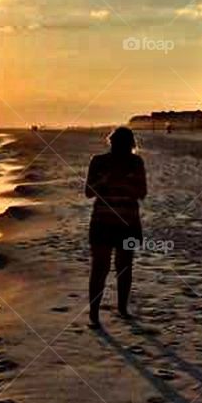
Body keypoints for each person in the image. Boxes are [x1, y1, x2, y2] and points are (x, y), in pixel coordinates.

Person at [85, 126, 148, 327]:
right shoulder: (99, 161)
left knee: (121, 267)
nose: (119, 148)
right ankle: (97, 313)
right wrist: (106, 179)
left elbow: (141, 192)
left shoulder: (136, 162)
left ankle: (119, 308)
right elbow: (88, 191)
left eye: (122, 144)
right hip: (108, 222)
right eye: (117, 144)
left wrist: (123, 182)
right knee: (103, 268)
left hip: (124, 223)